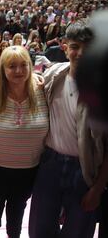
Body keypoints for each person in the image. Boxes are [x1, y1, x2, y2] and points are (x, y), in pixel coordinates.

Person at [29, 20, 108, 238]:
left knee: (78, 233)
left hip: (85, 170)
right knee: (39, 230)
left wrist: (98, 188)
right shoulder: (53, 75)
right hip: (49, 164)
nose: (80, 53)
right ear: (65, 47)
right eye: (74, 47)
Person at [0, 46, 49, 238]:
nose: (18, 71)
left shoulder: (43, 92)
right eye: (12, 66)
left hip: (29, 169)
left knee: (18, 210)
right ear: (2, 68)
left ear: (31, 67)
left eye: (23, 65)